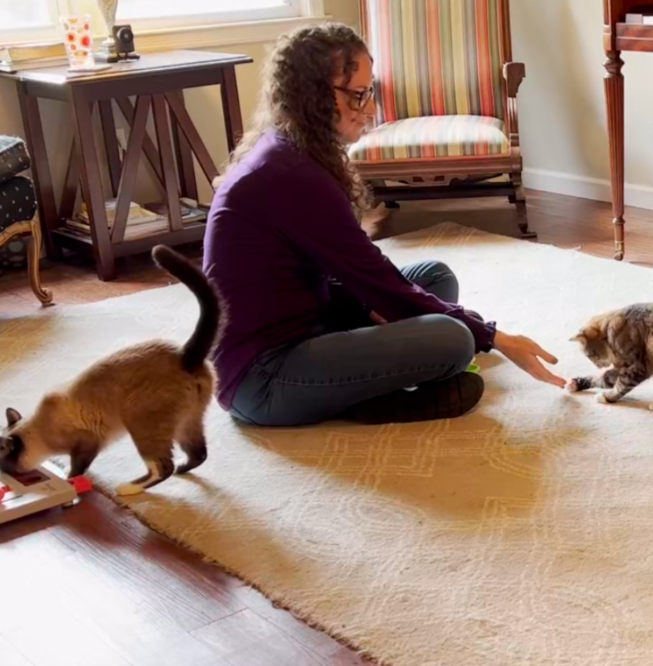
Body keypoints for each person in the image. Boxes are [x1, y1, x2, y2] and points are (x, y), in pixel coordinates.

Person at [202, 22, 566, 427]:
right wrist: (493, 336)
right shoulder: (292, 174)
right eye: (359, 95)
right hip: (262, 378)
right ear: (314, 95)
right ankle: (364, 401)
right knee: (453, 338)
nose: (371, 108)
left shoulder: (289, 150)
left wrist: (374, 305)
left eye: (370, 91)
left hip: (310, 323)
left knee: (434, 276)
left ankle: (363, 388)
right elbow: (377, 282)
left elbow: (345, 278)